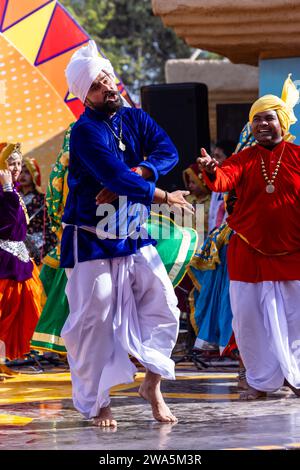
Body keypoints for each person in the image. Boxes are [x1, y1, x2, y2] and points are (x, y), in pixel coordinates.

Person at [61, 40, 194, 426]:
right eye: (99, 86)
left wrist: (140, 173)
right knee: (94, 317)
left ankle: (152, 383)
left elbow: (167, 150)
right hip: (90, 236)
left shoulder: (135, 118)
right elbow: (111, 175)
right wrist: (162, 193)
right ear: (86, 97)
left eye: (110, 79)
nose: (109, 88)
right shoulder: (85, 132)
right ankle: (97, 400)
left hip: (132, 232)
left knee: (165, 306)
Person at [197, 74, 300, 399]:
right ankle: (259, 382)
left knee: (296, 321)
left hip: (293, 254)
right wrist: (212, 169)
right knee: (250, 322)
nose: (261, 125)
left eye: (268, 118)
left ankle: (295, 379)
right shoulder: (243, 159)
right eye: (256, 120)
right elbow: (224, 179)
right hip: (248, 252)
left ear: (282, 122)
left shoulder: (297, 156)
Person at [0, 143, 41, 366]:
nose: (15, 168)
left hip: (19, 258)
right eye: (11, 163)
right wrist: (6, 189)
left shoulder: (11, 189)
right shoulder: (5, 190)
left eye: (18, 163)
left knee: (18, 311)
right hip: (4, 259)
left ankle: (4, 359)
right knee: (3, 312)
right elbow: (7, 223)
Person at [19, 157, 57, 265]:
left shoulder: (43, 200)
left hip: (37, 249)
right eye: (21, 172)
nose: (23, 175)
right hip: (15, 248)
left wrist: (42, 252)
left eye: (27, 172)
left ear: (34, 175)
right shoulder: (12, 198)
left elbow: (49, 230)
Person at [208, 140, 236, 233]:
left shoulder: (236, 184)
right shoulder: (216, 180)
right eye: (214, 156)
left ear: (230, 158)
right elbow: (212, 216)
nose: (214, 161)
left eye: (218, 157)